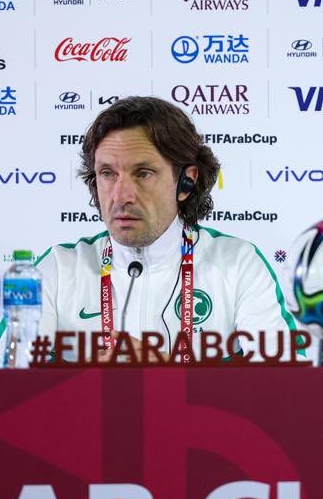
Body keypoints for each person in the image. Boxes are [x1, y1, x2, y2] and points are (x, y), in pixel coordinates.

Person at [29, 95, 301, 362]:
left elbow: (286, 386)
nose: (121, 195)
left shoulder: (237, 262)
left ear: (186, 182)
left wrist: (171, 379)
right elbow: (8, 385)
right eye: (108, 174)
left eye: (143, 173)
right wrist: (86, 385)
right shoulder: (56, 268)